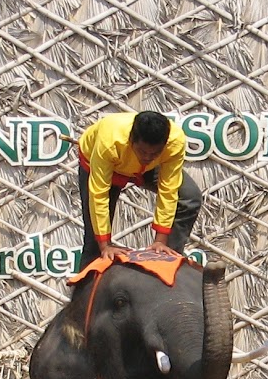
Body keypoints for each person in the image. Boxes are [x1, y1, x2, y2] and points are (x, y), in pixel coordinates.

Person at [76, 110, 200, 270]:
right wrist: (105, 246)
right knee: (95, 242)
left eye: (155, 152)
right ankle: (86, 289)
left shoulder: (175, 142)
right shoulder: (110, 141)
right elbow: (98, 193)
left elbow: (169, 189)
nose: (147, 156)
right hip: (105, 163)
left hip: (148, 169)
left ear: (165, 144)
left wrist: (160, 241)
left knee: (189, 196)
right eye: (143, 151)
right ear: (131, 140)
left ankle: (168, 261)